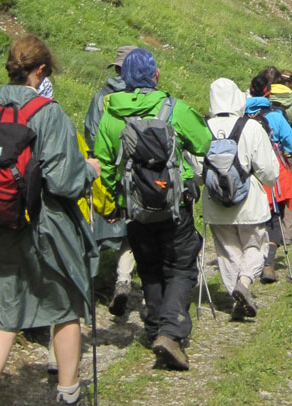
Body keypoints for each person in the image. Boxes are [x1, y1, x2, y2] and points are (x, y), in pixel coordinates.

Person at [0, 35, 99, 406]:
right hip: (48, 228)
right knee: (65, 309)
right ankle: (68, 400)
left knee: (3, 312)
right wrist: (88, 173)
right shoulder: (49, 113)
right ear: (40, 70)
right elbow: (63, 181)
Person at [94, 48, 212, 371]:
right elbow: (204, 143)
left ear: (124, 78)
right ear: (155, 75)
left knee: (149, 267)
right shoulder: (173, 108)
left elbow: (104, 165)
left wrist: (118, 200)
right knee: (181, 265)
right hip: (175, 205)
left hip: (135, 209)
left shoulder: (111, 114)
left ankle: (154, 327)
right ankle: (171, 332)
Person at [201, 77, 279, 320]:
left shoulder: (202, 127)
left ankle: (235, 295)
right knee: (256, 245)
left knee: (227, 251)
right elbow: (268, 172)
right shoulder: (251, 127)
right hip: (249, 203)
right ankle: (244, 284)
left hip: (215, 203)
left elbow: (195, 168)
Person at [83, 45, 138, 318]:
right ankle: (123, 278)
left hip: (105, 171)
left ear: (117, 69)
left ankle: (87, 287)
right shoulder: (144, 97)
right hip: (138, 171)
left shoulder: (101, 96)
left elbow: (90, 133)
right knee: (133, 228)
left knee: (99, 224)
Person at [245, 75, 292, 283]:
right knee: (274, 217)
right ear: (268, 92)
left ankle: (249, 259)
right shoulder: (276, 116)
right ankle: (268, 263)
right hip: (273, 174)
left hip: (247, 173)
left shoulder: (241, 115)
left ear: (250, 90)